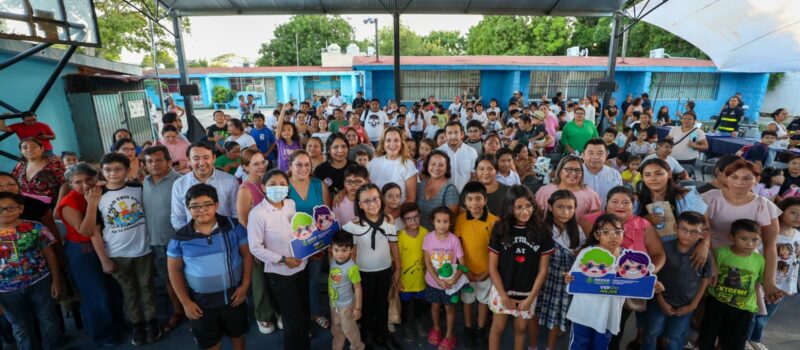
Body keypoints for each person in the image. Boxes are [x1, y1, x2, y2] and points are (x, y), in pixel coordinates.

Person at [167, 184, 252, 350]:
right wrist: (185, 302)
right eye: (195, 206)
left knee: (238, 336)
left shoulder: (234, 227)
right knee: (210, 343)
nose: (202, 210)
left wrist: (245, 286)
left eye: (207, 205)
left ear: (217, 205)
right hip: (200, 304)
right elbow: (174, 270)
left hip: (234, 297)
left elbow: (247, 255)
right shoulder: (180, 238)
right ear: (188, 209)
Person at [581, 186, 666, 350]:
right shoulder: (590, 221)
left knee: (614, 329)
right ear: (607, 204)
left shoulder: (644, 225)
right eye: (615, 201)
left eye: (626, 202)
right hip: (597, 287)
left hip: (626, 289)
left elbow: (659, 254)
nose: (620, 205)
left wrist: (645, 274)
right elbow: (585, 253)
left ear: (633, 205)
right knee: (591, 329)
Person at [94, 153, 161, 345]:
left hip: (143, 250)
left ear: (127, 170)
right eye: (107, 170)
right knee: (129, 291)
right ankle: (137, 325)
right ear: (102, 171)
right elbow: (95, 231)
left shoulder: (138, 188)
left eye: (118, 169)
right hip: (116, 253)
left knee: (147, 288)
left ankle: (151, 322)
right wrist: (103, 259)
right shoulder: (98, 196)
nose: (113, 173)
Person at [56, 163, 126, 346]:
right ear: (70, 185)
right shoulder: (69, 202)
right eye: (78, 182)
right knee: (96, 296)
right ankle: (103, 336)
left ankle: (118, 326)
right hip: (83, 252)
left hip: (106, 246)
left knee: (114, 291)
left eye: (89, 179)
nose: (85, 185)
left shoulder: (99, 189)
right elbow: (86, 231)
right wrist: (92, 203)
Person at [702, 159, 784, 303]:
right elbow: (702, 234)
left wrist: (769, 281)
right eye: (734, 177)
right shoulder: (710, 198)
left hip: (746, 260)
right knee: (706, 304)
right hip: (711, 252)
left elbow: (770, 246)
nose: (739, 182)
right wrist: (711, 263)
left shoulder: (764, 206)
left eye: (747, 178)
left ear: (757, 180)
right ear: (726, 178)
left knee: (739, 306)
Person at [248, 169, 310, 350]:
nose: (278, 188)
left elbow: (298, 230)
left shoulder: (290, 204)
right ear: (263, 187)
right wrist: (283, 259)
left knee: (304, 312)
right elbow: (255, 247)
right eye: (272, 184)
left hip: (301, 266)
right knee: (292, 318)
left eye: (282, 184)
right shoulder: (258, 214)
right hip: (280, 273)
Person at [487, 185, 553, 350]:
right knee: (498, 328)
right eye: (518, 207)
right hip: (502, 290)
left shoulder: (542, 230)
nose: (525, 211)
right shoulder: (500, 229)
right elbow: (492, 267)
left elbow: (543, 270)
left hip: (528, 293)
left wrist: (530, 298)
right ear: (510, 208)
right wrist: (504, 296)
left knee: (521, 328)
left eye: (528, 206)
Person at [342, 183, 402, 349]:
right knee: (366, 305)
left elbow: (393, 245)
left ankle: (383, 333)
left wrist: (398, 268)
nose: (372, 204)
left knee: (382, 303)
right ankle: (366, 336)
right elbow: (351, 253)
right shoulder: (353, 225)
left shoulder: (389, 222)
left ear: (381, 200)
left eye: (375, 199)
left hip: (384, 270)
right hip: (363, 273)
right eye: (366, 201)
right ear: (360, 205)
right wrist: (353, 276)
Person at [0, 192, 63, 350]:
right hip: (6, 291)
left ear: (21, 208)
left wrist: (56, 280)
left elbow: (50, 253)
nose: (5, 212)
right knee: (21, 326)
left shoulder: (35, 227)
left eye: (10, 208)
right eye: (0, 209)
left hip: (39, 282)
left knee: (48, 319)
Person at [642, 211, 712, 350]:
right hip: (659, 302)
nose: (688, 235)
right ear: (675, 228)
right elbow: (654, 277)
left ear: (702, 234)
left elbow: (705, 279)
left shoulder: (703, 254)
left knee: (676, 337)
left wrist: (693, 305)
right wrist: (661, 301)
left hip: (686, 305)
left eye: (694, 232)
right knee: (651, 332)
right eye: (684, 229)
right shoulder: (664, 248)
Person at [698, 219, 765, 350]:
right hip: (717, 303)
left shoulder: (759, 260)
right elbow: (709, 276)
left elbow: (760, 282)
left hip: (743, 309)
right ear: (732, 237)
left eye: (755, 239)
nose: (750, 244)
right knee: (707, 337)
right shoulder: (720, 253)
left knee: (735, 343)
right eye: (744, 239)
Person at [531, 190, 585, 350]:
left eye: (570, 207)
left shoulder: (577, 231)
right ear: (550, 207)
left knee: (556, 316)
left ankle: (551, 347)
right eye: (560, 207)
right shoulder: (541, 229)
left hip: (562, 282)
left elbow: (578, 258)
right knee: (534, 313)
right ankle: (532, 346)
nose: (565, 212)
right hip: (541, 279)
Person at [565, 214, 626, 349]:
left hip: (609, 315)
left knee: (600, 347)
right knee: (579, 345)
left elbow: (639, 282)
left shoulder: (628, 259)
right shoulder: (587, 252)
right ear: (597, 235)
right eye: (606, 232)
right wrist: (569, 279)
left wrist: (652, 285)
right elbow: (573, 279)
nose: (613, 236)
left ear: (623, 234)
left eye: (617, 232)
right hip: (584, 313)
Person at [233, 148, 277, 334]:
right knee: (260, 281)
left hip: (276, 239)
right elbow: (243, 220)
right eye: (255, 163)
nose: (261, 166)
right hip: (257, 243)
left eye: (263, 162)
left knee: (277, 279)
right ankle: (263, 315)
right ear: (245, 167)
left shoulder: (270, 182)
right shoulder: (245, 188)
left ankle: (279, 310)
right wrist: (258, 245)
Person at [747, 197, 800, 349]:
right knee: (754, 313)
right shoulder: (769, 235)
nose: (798, 217)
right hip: (765, 282)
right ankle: (745, 339)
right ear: (781, 212)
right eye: (793, 212)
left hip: (784, 284)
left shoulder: (797, 234)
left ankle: (755, 339)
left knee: (766, 315)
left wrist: (792, 285)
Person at [142, 146, 184, 333]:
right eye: (149, 161)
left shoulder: (180, 182)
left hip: (179, 241)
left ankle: (199, 312)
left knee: (190, 278)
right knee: (169, 281)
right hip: (156, 242)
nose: (154, 164)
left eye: (158, 160)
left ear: (168, 162)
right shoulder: (144, 182)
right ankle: (178, 311)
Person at [287, 150, 332, 330]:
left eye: (307, 164)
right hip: (290, 243)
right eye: (298, 164)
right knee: (294, 281)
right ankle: (297, 316)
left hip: (315, 244)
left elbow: (327, 216)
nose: (303, 168)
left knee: (312, 280)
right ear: (290, 166)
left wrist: (320, 244)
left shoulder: (319, 185)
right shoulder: (283, 186)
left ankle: (314, 313)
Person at [455, 182, 497, 349]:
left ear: (485, 200)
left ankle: (480, 329)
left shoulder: (494, 221)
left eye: (478, 198)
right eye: (470, 199)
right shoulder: (460, 220)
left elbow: (496, 250)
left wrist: (488, 272)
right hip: (467, 272)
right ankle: (468, 328)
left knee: (483, 301)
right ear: (464, 202)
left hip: (486, 271)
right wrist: (465, 271)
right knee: (467, 300)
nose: (474, 203)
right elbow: (457, 247)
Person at [421, 206, 464, 350]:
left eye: (445, 221)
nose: (442, 224)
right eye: (438, 221)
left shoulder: (454, 240)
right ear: (433, 221)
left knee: (449, 308)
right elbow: (427, 263)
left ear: (450, 223)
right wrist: (438, 280)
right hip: (433, 282)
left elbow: (462, 265)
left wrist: (454, 280)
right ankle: (436, 328)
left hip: (449, 284)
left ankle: (449, 335)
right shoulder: (428, 238)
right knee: (434, 305)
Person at [637, 158, 708, 243]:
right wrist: (642, 221)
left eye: (659, 174)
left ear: (669, 174)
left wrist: (704, 245)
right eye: (647, 175)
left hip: (684, 248)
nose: (653, 178)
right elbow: (625, 229)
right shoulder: (635, 200)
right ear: (642, 178)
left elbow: (706, 225)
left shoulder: (687, 197)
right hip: (648, 248)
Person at [171, 142, 239, 230]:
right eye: (196, 158)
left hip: (225, 235)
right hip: (193, 239)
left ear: (214, 158)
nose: (202, 163)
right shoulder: (179, 184)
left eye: (206, 158)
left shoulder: (231, 181)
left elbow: (236, 213)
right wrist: (191, 235)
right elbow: (177, 218)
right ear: (188, 160)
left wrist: (230, 233)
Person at [327, 230, 365, 350]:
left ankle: (358, 346)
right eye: (336, 250)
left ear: (351, 250)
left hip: (347, 306)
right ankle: (337, 347)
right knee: (336, 329)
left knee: (349, 329)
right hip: (334, 305)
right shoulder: (332, 261)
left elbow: (358, 289)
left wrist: (357, 308)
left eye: (344, 250)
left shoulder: (352, 267)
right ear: (331, 249)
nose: (340, 254)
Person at [396, 202, 429, 341]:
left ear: (420, 216)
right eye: (409, 218)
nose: (413, 221)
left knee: (419, 303)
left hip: (421, 278)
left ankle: (417, 321)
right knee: (405, 305)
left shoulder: (425, 233)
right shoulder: (400, 237)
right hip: (405, 280)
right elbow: (395, 261)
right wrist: (396, 280)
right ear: (403, 220)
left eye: (415, 217)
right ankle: (405, 325)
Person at [535, 155, 601, 223]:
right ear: (560, 170)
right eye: (569, 169)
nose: (573, 173)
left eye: (578, 170)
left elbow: (594, 222)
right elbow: (536, 216)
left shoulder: (590, 194)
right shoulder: (545, 191)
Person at [368, 127, 418, 204]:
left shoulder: (408, 165)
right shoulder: (374, 162)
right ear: (383, 143)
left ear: (401, 143)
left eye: (396, 140)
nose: (392, 143)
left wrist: (392, 215)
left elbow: (411, 198)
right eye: (388, 140)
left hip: (399, 212)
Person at [11, 137, 65, 206]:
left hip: (52, 206)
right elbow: (12, 182)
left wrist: (59, 204)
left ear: (42, 149)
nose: (29, 150)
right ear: (21, 151)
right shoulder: (20, 165)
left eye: (33, 147)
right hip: (26, 206)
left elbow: (65, 184)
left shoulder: (54, 163)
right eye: (25, 148)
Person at [416, 150, 459, 231]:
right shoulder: (420, 185)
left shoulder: (450, 190)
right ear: (427, 166)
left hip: (437, 240)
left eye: (441, 165)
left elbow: (451, 222)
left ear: (447, 168)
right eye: (433, 164)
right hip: (418, 237)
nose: (436, 168)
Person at [582, 138, 623, 208]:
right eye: (591, 153)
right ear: (583, 155)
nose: (595, 157)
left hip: (607, 217)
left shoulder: (615, 174)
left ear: (606, 156)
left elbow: (619, 197)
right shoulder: (574, 174)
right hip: (580, 217)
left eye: (600, 153)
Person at [438, 121, 479, 191]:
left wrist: (468, 193)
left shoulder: (472, 152)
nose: (453, 136)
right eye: (449, 133)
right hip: (443, 195)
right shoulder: (438, 152)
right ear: (445, 135)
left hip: (464, 194)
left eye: (456, 132)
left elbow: (474, 176)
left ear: (462, 134)